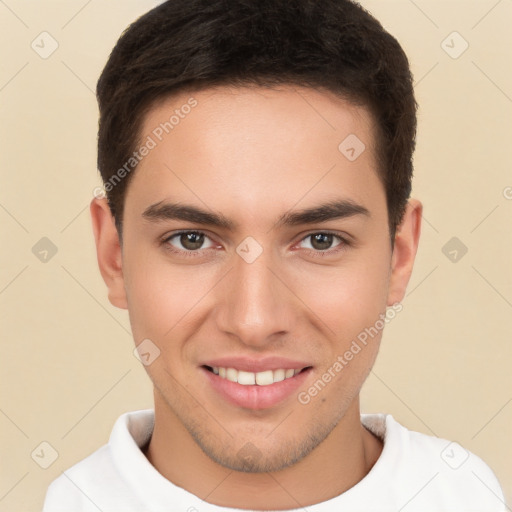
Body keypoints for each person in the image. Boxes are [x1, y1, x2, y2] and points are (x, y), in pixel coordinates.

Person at [42, 0, 506, 510]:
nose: (254, 321)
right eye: (191, 239)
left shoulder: (466, 494)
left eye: (320, 240)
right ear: (114, 255)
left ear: (399, 256)